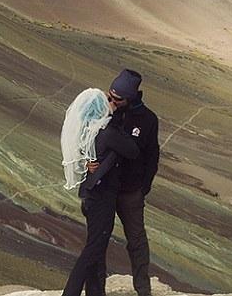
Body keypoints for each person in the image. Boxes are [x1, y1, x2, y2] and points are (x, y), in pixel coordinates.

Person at [60, 88, 140, 296]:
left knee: (98, 247)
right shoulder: (108, 133)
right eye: (107, 101)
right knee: (94, 248)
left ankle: (96, 292)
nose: (112, 103)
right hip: (102, 199)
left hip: (90, 197)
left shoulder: (88, 132)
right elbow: (133, 150)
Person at [87, 69, 159, 296]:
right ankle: (96, 291)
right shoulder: (105, 111)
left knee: (136, 241)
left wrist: (143, 188)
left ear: (132, 97)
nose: (111, 101)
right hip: (105, 190)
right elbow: (88, 139)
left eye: (117, 99)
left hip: (130, 191)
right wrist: (88, 163)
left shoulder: (147, 119)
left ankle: (143, 291)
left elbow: (151, 156)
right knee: (98, 242)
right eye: (110, 96)